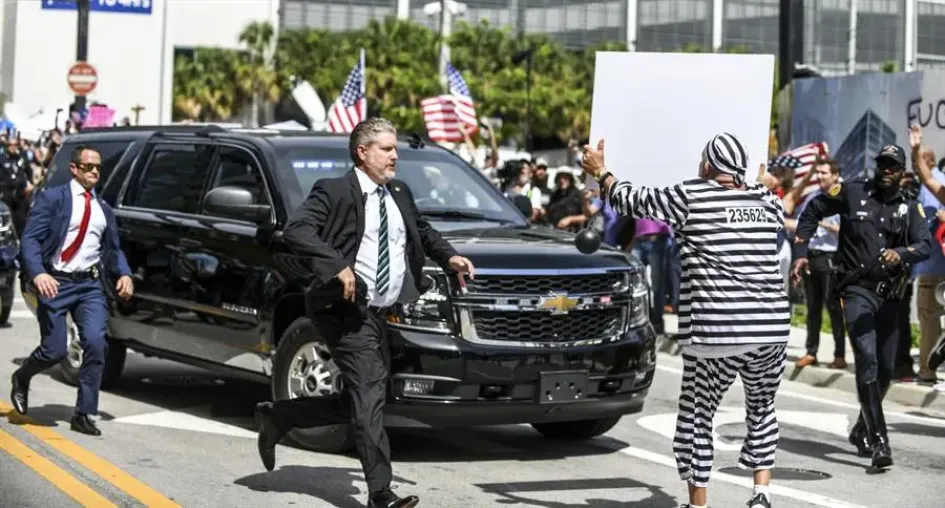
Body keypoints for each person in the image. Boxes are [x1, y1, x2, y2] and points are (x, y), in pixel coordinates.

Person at [253, 117, 474, 508]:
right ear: (363, 152)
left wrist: (451, 257)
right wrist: (336, 265)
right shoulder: (334, 190)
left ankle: (281, 417)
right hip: (342, 310)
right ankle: (380, 494)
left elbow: (421, 232)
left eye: (395, 149)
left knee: (366, 397)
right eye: (387, 149)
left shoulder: (399, 193)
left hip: (380, 313)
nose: (394, 156)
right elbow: (298, 230)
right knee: (370, 393)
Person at [582, 133, 789, 508]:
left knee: (697, 415)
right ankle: (762, 493)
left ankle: (699, 503)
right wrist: (763, 185)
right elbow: (767, 197)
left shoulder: (692, 195)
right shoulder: (765, 201)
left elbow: (632, 199)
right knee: (762, 407)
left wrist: (601, 171)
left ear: (708, 166)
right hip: (772, 329)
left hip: (717, 329)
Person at [792, 141, 930, 469]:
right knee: (866, 360)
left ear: (900, 173)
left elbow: (924, 244)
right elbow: (812, 210)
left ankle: (860, 428)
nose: (886, 170)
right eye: (882, 164)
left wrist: (903, 253)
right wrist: (800, 252)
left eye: (893, 166)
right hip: (855, 290)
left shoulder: (909, 206)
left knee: (884, 371)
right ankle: (880, 440)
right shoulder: (853, 192)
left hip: (891, 297)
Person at [10, 145, 134, 436]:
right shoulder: (53, 198)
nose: (94, 171)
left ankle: (84, 412)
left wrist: (125, 274)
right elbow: (30, 240)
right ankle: (22, 375)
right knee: (54, 350)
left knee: (95, 343)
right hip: (56, 282)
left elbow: (113, 250)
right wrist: (39, 273)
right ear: (74, 169)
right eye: (88, 166)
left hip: (89, 285)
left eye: (98, 168)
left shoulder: (103, 209)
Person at [793, 158, 847, 369]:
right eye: (818, 173)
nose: (820, 177)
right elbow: (803, 225)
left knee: (834, 307)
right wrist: (802, 254)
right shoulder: (814, 197)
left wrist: (824, 223)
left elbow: (850, 231)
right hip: (813, 256)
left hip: (831, 257)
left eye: (824, 173)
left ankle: (840, 355)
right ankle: (811, 351)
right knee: (812, 307)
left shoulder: (844, 197)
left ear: (835, 175)